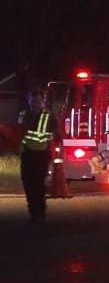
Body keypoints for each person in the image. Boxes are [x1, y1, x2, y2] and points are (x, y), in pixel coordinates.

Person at [17, 88, 62, 225]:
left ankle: (40, 215)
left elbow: (57, 132)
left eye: (37, 101)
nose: (35, 103)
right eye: (33, 100)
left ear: (42, 101)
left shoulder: (49, 115)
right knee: (28, 185)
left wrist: (57, 142)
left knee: (38, 186)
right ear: (29, 101)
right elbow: (18, 133)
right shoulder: (23, 114)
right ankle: (33, 214)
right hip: (27, 154)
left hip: (41, 155)